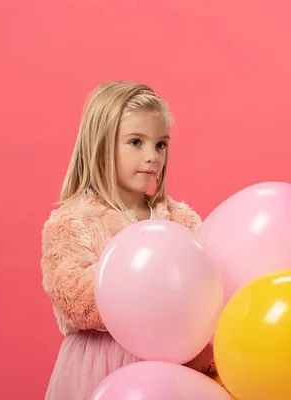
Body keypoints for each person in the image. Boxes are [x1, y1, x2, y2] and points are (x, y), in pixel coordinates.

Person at [41, 81, 213, 400]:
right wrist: (144, 285)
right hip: (105, 366)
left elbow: (212, 283)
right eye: (136, 142)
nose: (152, 157)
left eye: (161, 145)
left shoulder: (180, 219)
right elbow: (72, 299)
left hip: (175, 373)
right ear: (101, 145)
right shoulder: (75, 220)